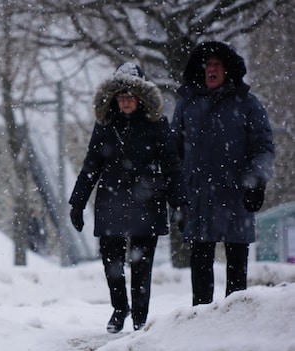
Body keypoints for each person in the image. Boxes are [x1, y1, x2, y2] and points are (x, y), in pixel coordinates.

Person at [69, 63, 188, 333]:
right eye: (120, 95)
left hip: (147, 199)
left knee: (141, 263)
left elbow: (172, 166)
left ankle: (140, 316)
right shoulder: (105, 126)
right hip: (111, 199)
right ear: (113, 97)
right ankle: (120, 307)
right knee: (111, 261)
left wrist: (180, 203)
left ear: (140, 97)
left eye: (130, 95)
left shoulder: (157, 125)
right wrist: (77, 202)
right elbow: (91, 166)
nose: (125, 100)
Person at [171, 41, 275, 306]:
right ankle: (200, 325)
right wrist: (178, 197)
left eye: (217, 64)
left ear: (228, 70)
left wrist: (257, 182)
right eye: (208, 64)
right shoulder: (187, 104)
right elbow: (173, 154)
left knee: (237, 274)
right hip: (199, 197)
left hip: (236, 197)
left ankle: (235, 323)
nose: (212, 69)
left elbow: (262, 148)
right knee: (200, 271)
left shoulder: (248, 104)